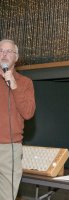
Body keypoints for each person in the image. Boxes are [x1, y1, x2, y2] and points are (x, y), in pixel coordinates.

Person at [0, 39, 36, 200]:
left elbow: (28, 113)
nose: (4, 54)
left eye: (9, 51)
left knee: (7, 196)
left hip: (10, 149)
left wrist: (13, 84)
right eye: (1, 50)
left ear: (16, 57)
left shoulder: (25, 83)